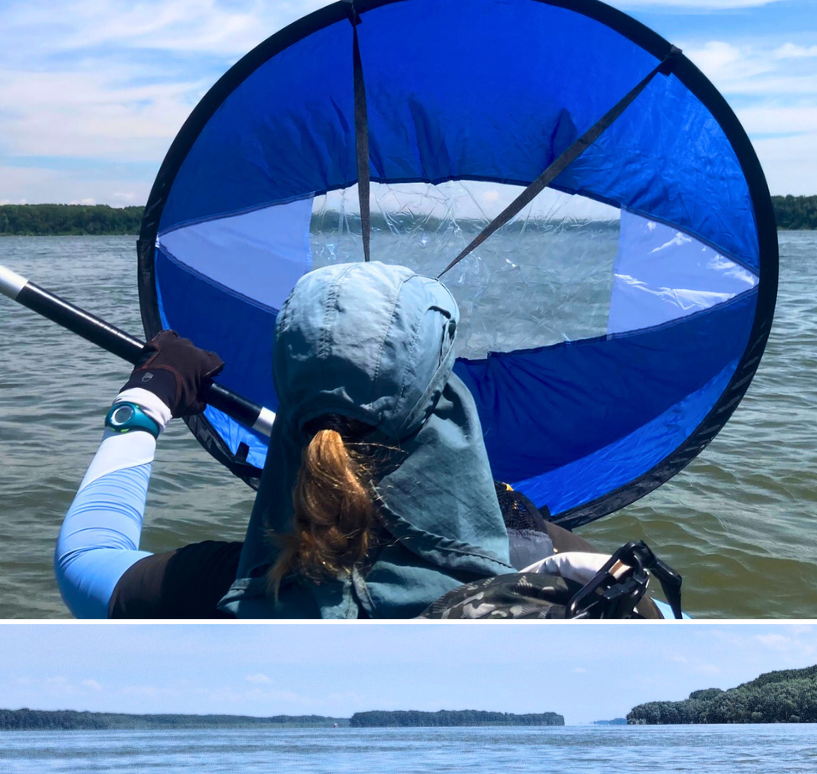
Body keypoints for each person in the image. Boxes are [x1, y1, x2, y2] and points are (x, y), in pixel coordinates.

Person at [55, 260, 554, 618]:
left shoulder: (228, 585)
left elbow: (84, 557)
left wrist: (147, 397)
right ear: (445, 398)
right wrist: (520, 524)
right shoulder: (542, 572)